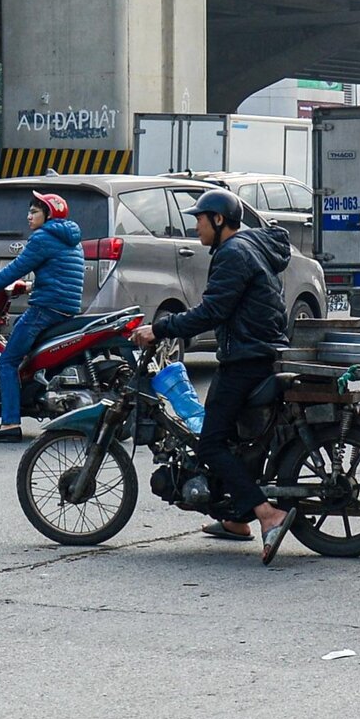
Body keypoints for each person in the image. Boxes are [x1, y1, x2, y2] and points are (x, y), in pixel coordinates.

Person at [130, 189, 296, 563]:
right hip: (260, 350)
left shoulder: (233, 255)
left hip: (246, 358)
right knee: (232, 437)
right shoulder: (249, 246)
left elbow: (212, 311)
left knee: (210, 444)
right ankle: (234, 518)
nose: (196, 227)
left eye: (200, 220)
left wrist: (161, 328)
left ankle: (267, 513)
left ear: (219, 220)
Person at [0, 191, 87, 443]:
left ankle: (9, 423)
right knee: (23, 336)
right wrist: (30, 287)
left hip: (45, 309)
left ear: (49, 214)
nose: (28, 216)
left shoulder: (43, 237)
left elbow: (14, 269)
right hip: (65, 308)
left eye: (34, 211)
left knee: (8, 361)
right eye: (29, 211)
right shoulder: (72, 238)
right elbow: (60, 273)